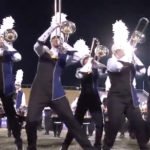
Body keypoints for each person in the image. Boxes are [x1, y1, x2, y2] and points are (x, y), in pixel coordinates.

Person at [25, 13, 96, 150]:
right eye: (54, 38)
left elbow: (78, 55)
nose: (56, 40)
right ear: (51, 40)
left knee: (72, 122)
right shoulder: (43, 51)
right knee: (30, 122)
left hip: (57, 93)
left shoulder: (65, 56)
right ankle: (31, 147)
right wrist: (52, 29)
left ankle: (89, 148)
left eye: (59, 38)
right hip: (38, 92)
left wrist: (64, 45)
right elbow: (38, 43)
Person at [103, 20, 149, 150]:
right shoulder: (111, 61)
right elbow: (116, 67)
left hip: (131, 99)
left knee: (139, 125)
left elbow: (142, 71)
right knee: (114, 125)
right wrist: (128, 55)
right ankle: (106, 146)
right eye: (119, 50)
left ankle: (144, 147)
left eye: (123, 50)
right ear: (115, 52)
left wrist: (133, 55)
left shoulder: (130, 60)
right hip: (116, 98)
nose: (122, 52)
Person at [61, 39, 105, 150]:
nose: (88, 60)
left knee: (100, 124)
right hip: (83, 99)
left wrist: (96, 62)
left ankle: (97, 146)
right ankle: (65, 145)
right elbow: (79, 76)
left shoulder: (96, 69)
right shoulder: (79, 69)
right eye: (86, 59)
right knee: (76, 125)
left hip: (95, 99)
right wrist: (88, 64)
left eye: (88, 58)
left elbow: (104, 70)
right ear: (83, 61)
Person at [0, 16, 23, 150]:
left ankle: (18, 140)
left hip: (6, 87)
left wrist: (6, 46)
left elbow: (19, 57)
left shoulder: (10, 51)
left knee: (11, 115)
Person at [7, 69, 27, 137]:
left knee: (20, 120)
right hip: (12, 108)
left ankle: (18, 131)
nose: (17, 86)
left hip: (19, 108)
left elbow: (23, 101)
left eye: (18, 85)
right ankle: (9, 131)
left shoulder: (22, 93)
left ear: (20, 85)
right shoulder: (12, 92)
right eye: (16, 85)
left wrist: (22, 106)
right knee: (10, 120)